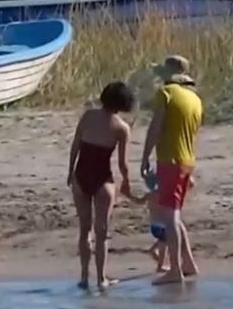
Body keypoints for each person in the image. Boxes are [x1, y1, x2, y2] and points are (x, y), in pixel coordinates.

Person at [139, 55, 203, 285]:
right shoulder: (194, 99)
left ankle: (175, 270)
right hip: (187, 160)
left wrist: (145, 156)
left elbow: (155, 127)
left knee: (170, 216)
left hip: (170, 160)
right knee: (174, 214)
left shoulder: (166, 93)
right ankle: (188, 263)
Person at [66, 81, 134, 290]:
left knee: (84, 229)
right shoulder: (122, 128)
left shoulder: (88, 116)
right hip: (102, 179)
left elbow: (76, 145)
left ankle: (84, 278)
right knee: (101, 231)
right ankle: (101, 278)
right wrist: (127, 181)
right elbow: (122, 163)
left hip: (81, 175)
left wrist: (70, 171)